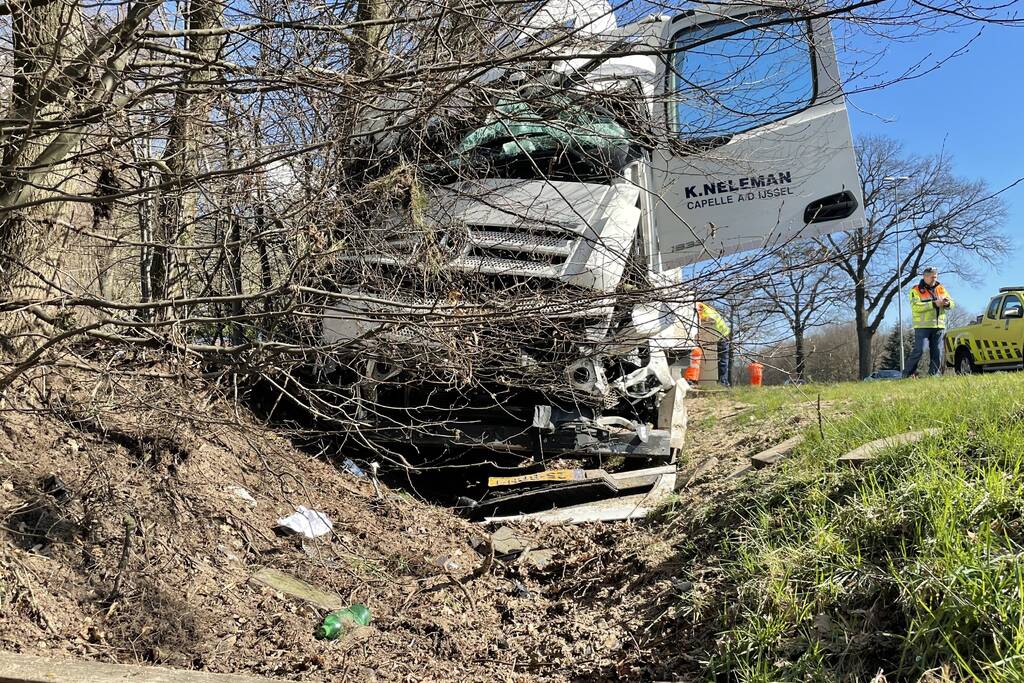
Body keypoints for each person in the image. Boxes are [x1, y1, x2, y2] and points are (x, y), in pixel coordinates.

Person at [905, 267, 954, 377]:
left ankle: (934, 375)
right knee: (920, 350)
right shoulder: (915, 290)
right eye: (932, 277)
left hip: (939, 325)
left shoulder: (941, 288)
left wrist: (947, 303)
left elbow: (952, 302)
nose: (934, 279)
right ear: (925, 277)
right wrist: (933, 304)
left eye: (935, 277)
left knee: (937, 351)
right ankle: (907, 374)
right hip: (922, 326)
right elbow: (915, 307)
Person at [697, 301, 731, 386]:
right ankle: (723, 382)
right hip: (722, 335)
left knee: (722, 361)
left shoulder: (705, 312)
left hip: (722, 337)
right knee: (723, 360)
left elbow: (705, 320)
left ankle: (723, 382)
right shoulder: (708, 310)